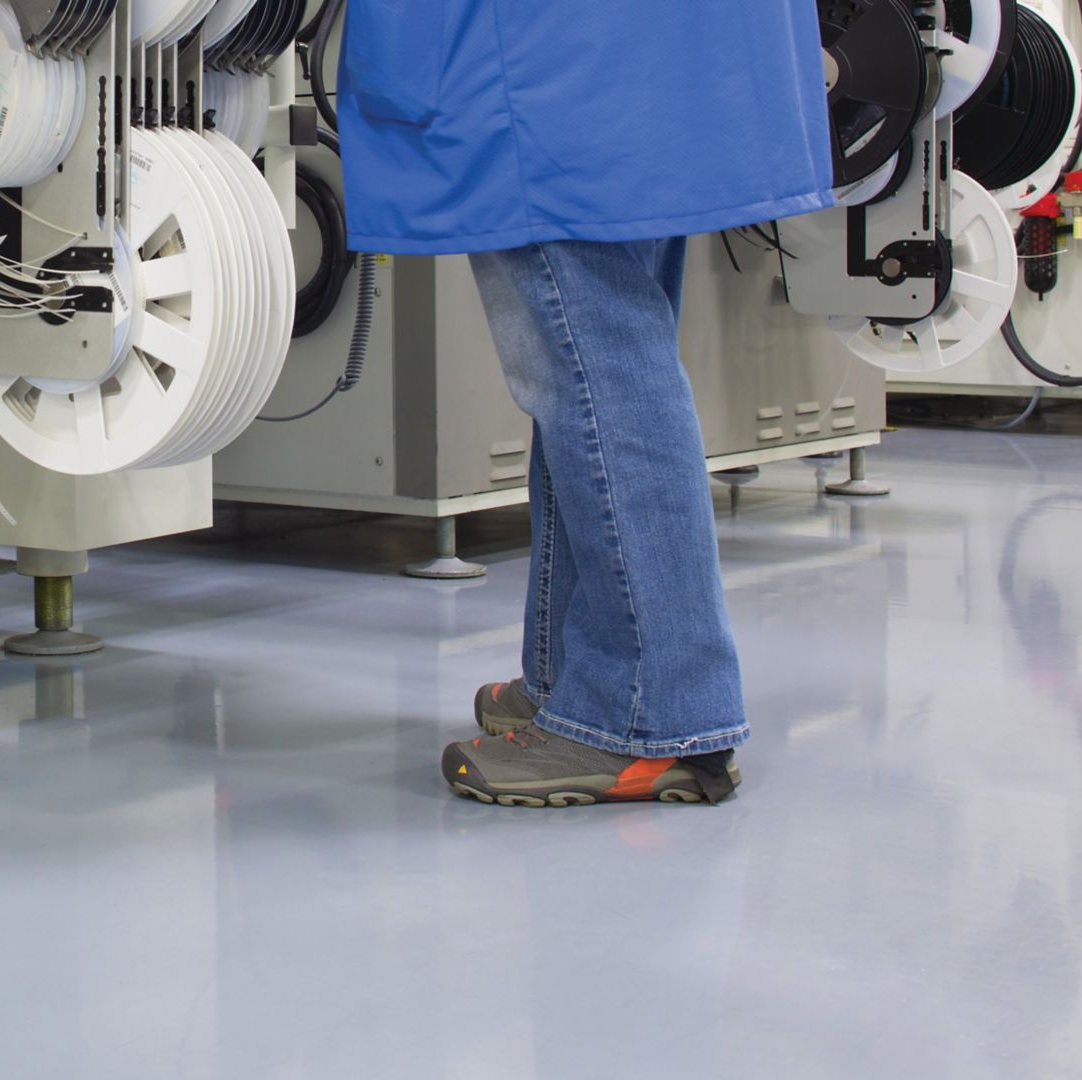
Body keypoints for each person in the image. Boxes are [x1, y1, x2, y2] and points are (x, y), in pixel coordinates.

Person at [338, 0, 834, 805]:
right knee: (597, 365)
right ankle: (575, 678)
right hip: (638, 52)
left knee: (593, 372)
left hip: (547, 60)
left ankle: (649, 713)